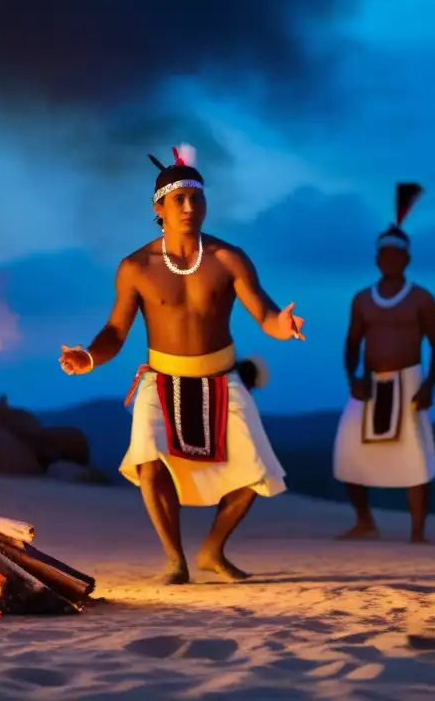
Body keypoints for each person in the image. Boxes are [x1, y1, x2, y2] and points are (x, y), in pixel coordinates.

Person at [59, 144, 303, 585]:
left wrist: (283, 326)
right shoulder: (136, 266)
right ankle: (175, 560)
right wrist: (90, 356)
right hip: (162, 378)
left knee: (257, 473)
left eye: (197, 198)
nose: (190, 207)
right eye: (179, 200)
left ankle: (212, 549)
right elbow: (116, 331)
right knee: (149, 463)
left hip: (222, 379)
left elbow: (265, 314)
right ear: (159, 207)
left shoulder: (229, 259)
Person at [333, 183, 435, 543]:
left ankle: (417, 532)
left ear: (406, 258)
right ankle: (365, 521)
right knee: (348, 453)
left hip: (409, 382)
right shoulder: (362, 299)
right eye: (384, 253)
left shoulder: (422, 299)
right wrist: (353, 376)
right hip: (369, 384)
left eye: (397, 254)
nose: (390, 259)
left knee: (416, 459)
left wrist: (429, 385)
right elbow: (351, 343)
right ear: (377, 258)